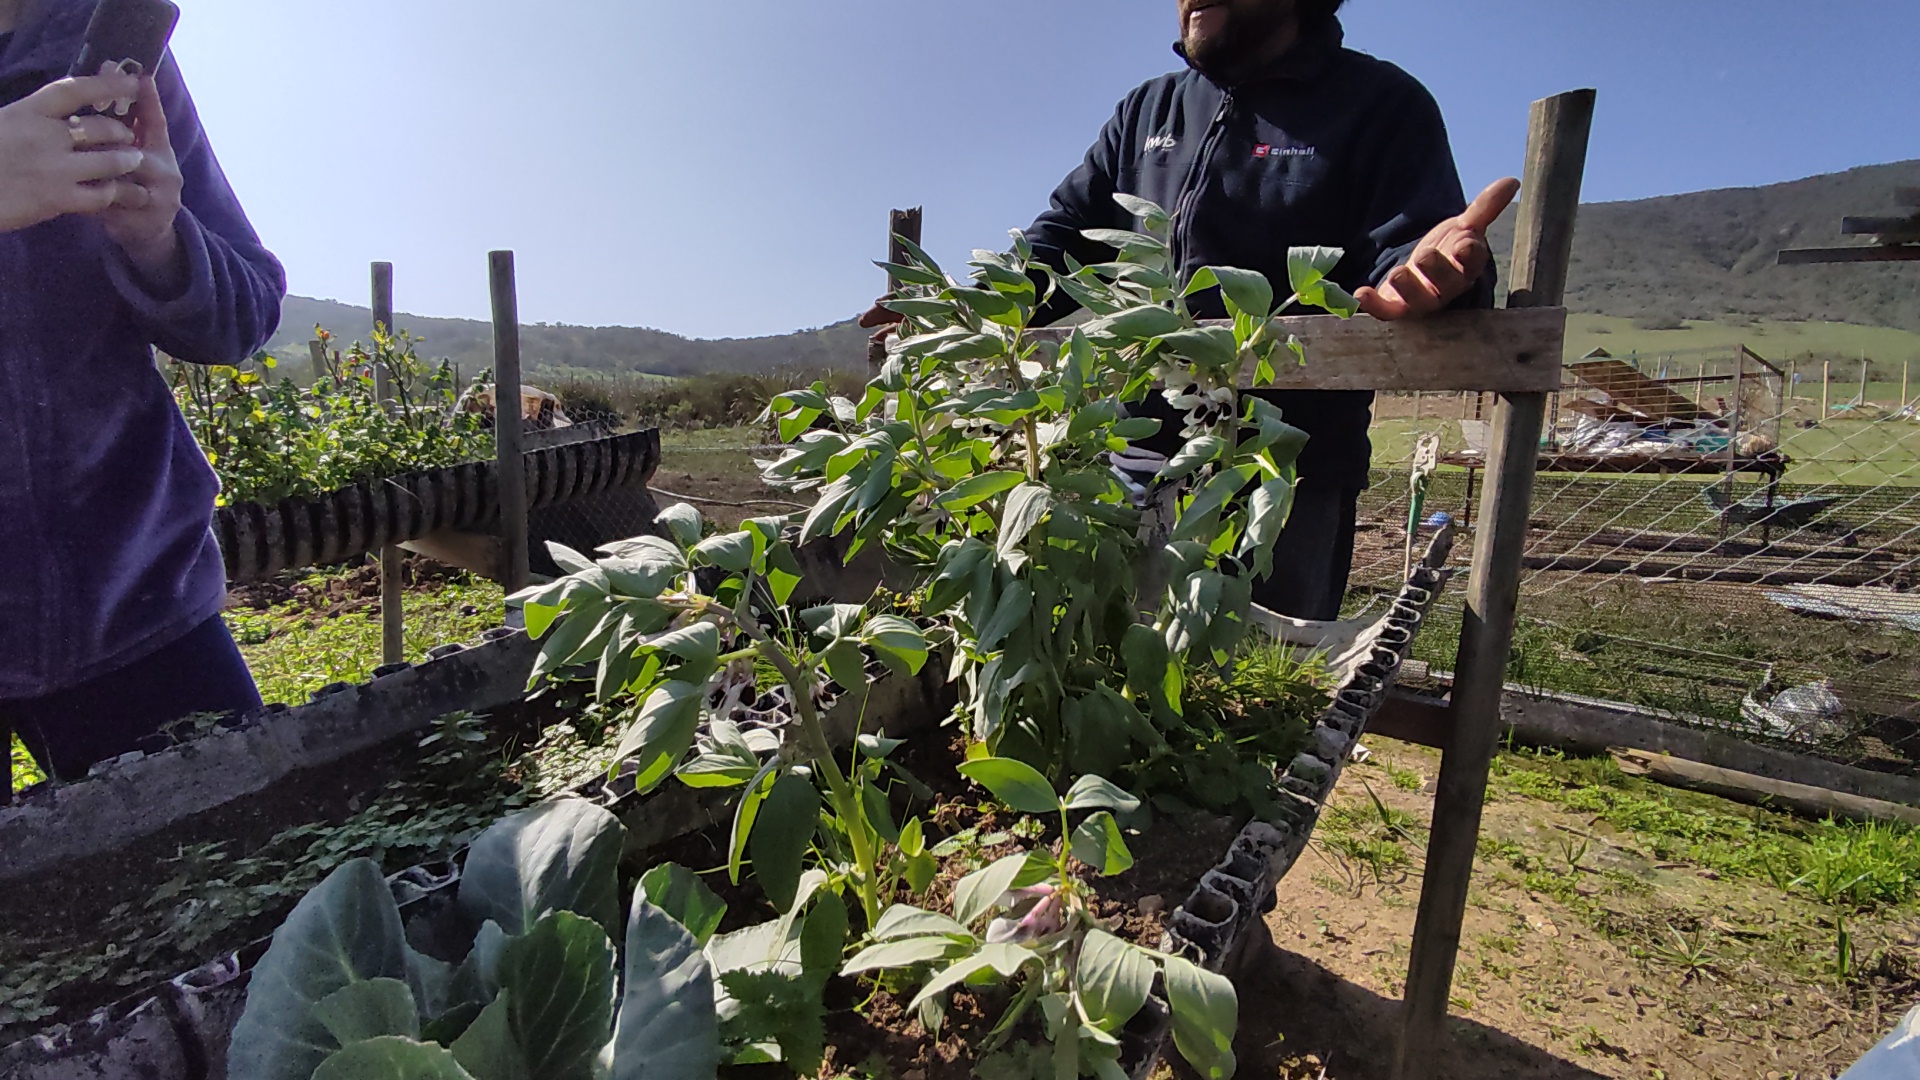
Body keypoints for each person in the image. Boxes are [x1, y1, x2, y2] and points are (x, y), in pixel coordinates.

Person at [866, 0, 1516, 621]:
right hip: (1129, 470)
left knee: (1256, 708)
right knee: (1111, 680)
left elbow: (1413, 251)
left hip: (1284, 485)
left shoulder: (1380, 106)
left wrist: (1439, 274)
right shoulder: (1147, 111)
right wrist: (956, 311)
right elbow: (1060, 241)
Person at [0, 0, 285, 781]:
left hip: (137, 605)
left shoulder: (106, 58)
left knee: (241, 886)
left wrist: (160, 240)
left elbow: (249, 309)